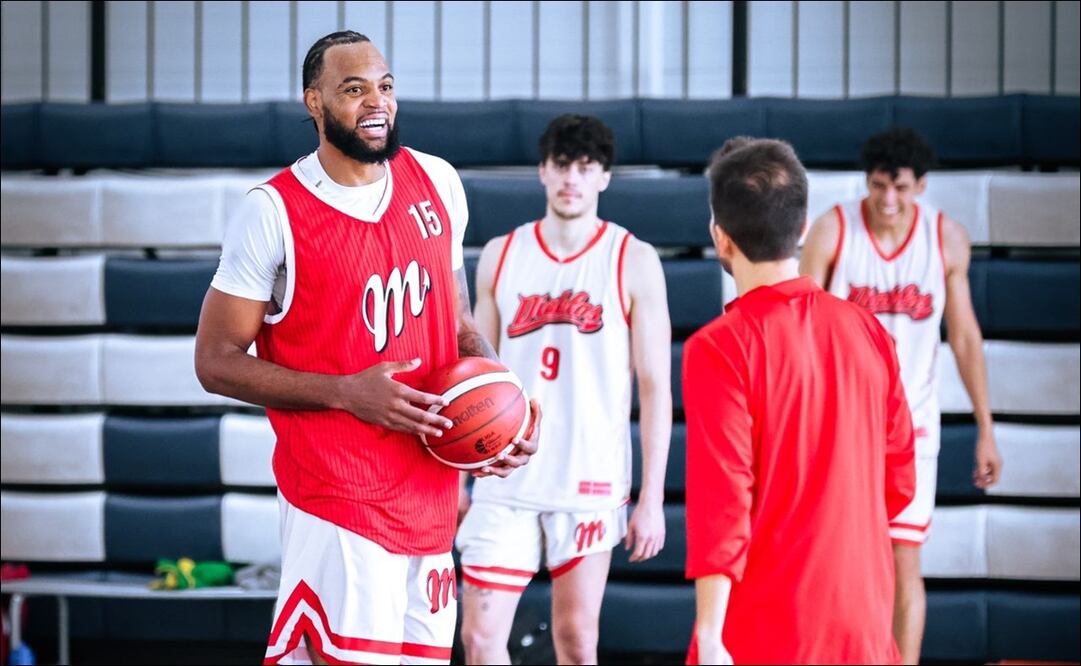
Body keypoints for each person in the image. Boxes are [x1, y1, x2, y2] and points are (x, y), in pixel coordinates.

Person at [193, 31, 539, 666]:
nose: (376, 103)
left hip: (432, 495)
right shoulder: (272, 211)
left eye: (384, 86)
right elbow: (214, 361)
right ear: (315, 103)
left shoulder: (437, 180)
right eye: (353, 90)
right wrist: (346, 393)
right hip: (338, 498)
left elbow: (459, 325)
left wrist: (500, 406)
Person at [684, 138, 917, 664]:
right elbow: (900, 484)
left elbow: (723, 505)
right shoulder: (869, 331)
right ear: (803, 226)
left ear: (720, 238)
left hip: (764, 627)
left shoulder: (718, 347)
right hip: (864, 625)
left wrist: (711, 633)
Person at [457, 114, 672, 665]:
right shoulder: (502, 255)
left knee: (577, 643)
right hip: (505, 478)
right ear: (542, 172)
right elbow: (474, 375)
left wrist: (651, 499)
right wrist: (459, 476)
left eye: (585, 167)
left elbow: (654, 387)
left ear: (603, 177)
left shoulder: (634, 259)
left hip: (589, 480)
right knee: (480, 640)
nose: (572, 178)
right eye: (561, 166)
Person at [800, 127, 1004, 664]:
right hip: (842, 424)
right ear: (864, 182)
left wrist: (986, 428)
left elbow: (963, 337)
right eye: (878, 186)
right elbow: (802, 330)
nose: (888, 200)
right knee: (835, 559)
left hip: (912, 425)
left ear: (921, 186)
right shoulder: (832, 231)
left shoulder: (946, 239)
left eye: (901, 187)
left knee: (904, 558)